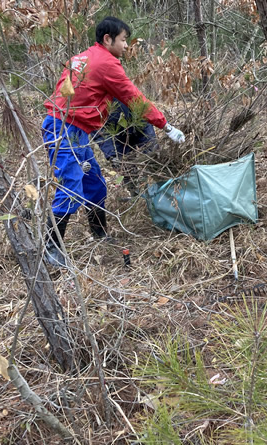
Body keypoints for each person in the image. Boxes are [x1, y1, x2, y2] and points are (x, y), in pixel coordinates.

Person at [42, 16, 185, 267]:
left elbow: (65, 94)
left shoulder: (81, 58)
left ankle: (99, 233)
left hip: (75, 130)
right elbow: (133, 97)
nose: (126, 45)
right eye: (123, 40)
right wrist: (166, 125)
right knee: (71, 188)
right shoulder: (107, 62)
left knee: (95, 184)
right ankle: (50, 248)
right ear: (108, 39)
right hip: (62, 129)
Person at [91, 98, 158, 195]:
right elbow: (98, 132)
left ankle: (164, 192)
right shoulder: (91, 102)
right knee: (126, 169)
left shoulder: (116, 85)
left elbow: (135, 96)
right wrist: (112, 155)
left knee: (154, 157)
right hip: (117, 134)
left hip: (140, 122)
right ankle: (137, 197)